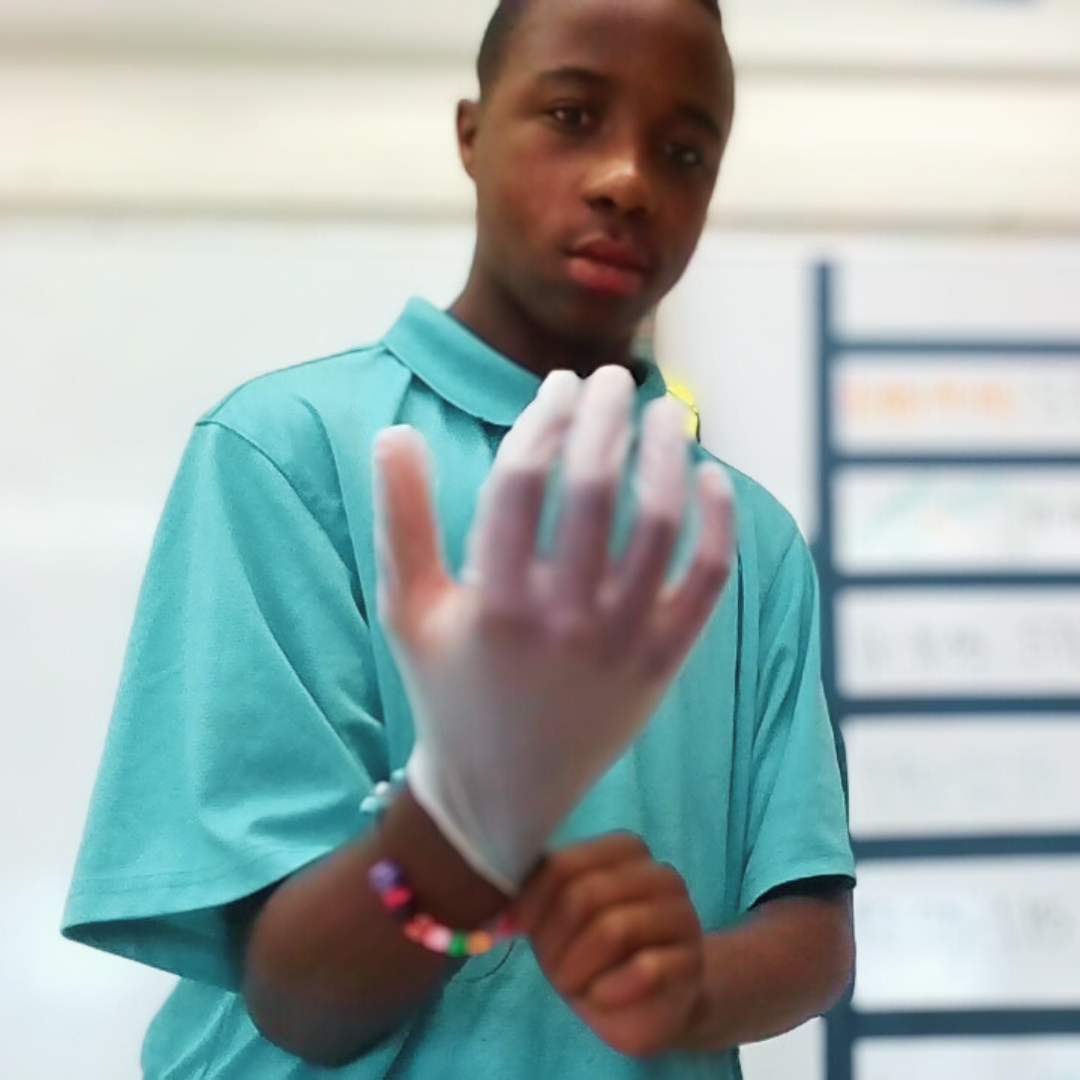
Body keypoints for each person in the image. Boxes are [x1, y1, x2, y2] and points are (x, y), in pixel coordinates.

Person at [62, 0, 856, 1077]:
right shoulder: (287, 454)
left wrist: (690, 985)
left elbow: (812, 924)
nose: (628, 179)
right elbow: (301, 1002)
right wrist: (465, 818)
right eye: (572, 114)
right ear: (473, 134)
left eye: (684, 151)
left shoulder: (745, 540)